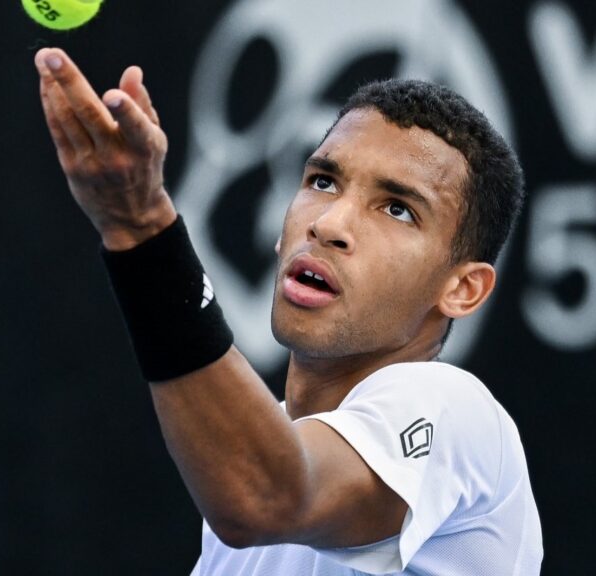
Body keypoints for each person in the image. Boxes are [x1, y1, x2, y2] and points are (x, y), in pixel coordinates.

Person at [33, 46, 542, 575]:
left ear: (463, 289)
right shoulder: (249, 477)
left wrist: (142, 228)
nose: (329, 224)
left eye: (397, 209)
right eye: (323, 181)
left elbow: (266, 494)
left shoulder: (455, 411)